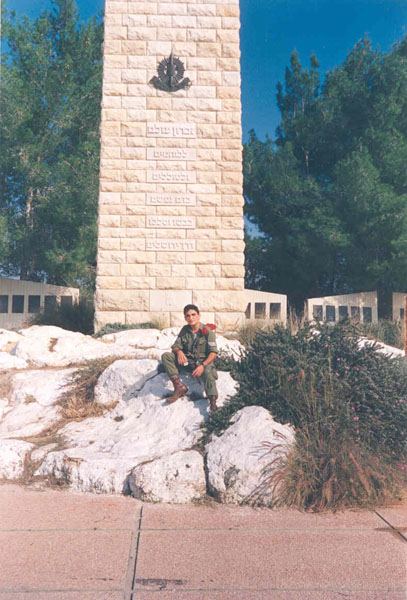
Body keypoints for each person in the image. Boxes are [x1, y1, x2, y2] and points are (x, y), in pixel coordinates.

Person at [161, 304, 219, 412]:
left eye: (193, 315)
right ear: (185, 318)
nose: (191, 318)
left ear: (199, 316)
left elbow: (213, 353)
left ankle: (213, 403)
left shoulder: (207, 331)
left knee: (208, 371)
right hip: (188, 363)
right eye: (188, 316)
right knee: (166, 356)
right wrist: (179, 351)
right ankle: (179, 386)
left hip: (202, 363)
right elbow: (175, 346)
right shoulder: (185, 330)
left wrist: (203, 366)